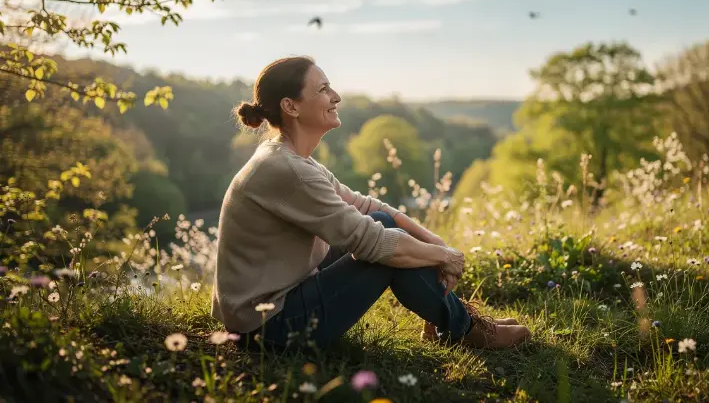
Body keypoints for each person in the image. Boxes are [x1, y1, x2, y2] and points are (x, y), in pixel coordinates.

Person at [211, 56, 531, 351]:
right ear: (291, 107)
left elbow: (366, 207)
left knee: (383, 222)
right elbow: (374, 242)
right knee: (385, 240)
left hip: (274, 307)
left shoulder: (290, 159)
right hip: (268, 329)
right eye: (323, 89)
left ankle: (450, 322)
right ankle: (466, 330)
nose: (336, 96)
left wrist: (434, 242)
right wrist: (444, 256)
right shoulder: (288, 170)